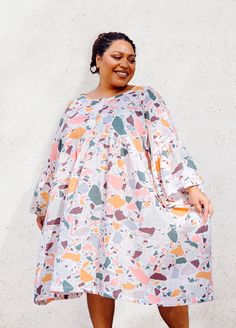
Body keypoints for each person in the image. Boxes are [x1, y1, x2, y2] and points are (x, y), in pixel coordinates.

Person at [30, 32, 214, 328]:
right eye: (117, 56)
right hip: (87, 210)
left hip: (136, 203)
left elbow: (167, 144)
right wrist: (45, 204)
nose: (125, 64)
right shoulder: (75, 108)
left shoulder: (145, 98)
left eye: (131, 59)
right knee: (95, 272)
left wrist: (192, 188)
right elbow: (57, 156)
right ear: (98, 59)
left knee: (164, 268)